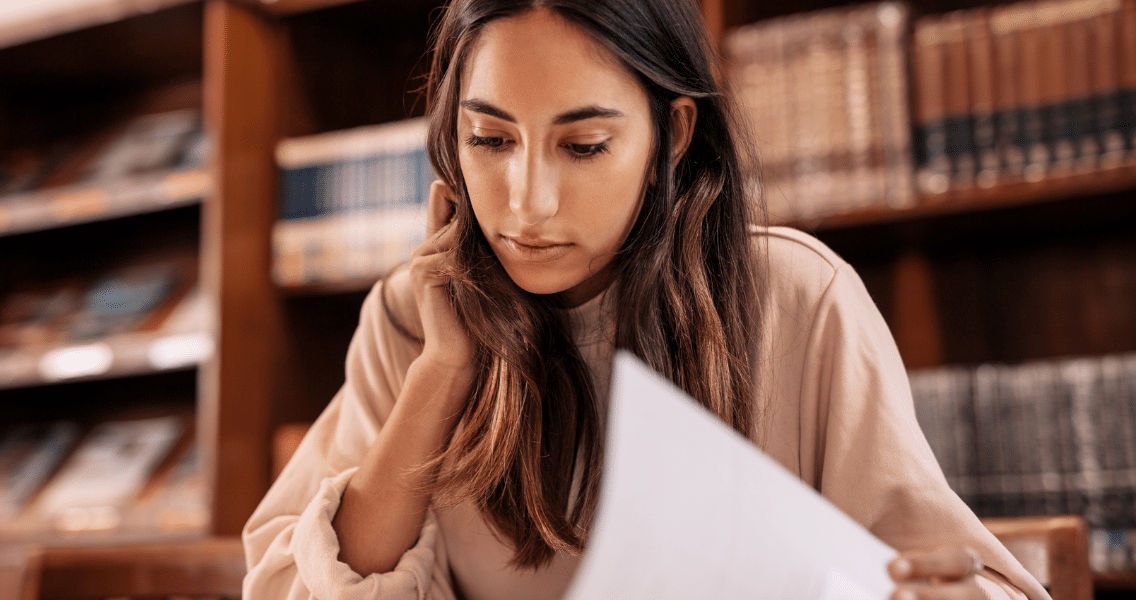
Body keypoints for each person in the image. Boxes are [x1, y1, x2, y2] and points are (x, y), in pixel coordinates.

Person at [243, 1, 1052, 599]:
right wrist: (442, 374)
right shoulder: (414, 318)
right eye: (489, 140)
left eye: (585, 146)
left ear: (672, 135)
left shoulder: (798, 301)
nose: (527, 204)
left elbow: (969, 582)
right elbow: (292, 585)